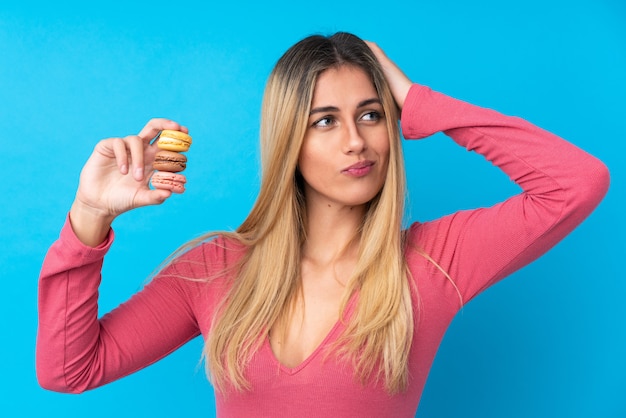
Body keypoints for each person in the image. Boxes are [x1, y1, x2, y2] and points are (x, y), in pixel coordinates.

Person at [36, 32, 610, 417]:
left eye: (371, 115)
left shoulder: (434, 262)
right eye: (324, 121)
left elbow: (578, 182)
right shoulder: (215, 268)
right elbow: (67, 370)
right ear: (289, 138)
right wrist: (89, 214)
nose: (356, 142)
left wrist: (415, 99)